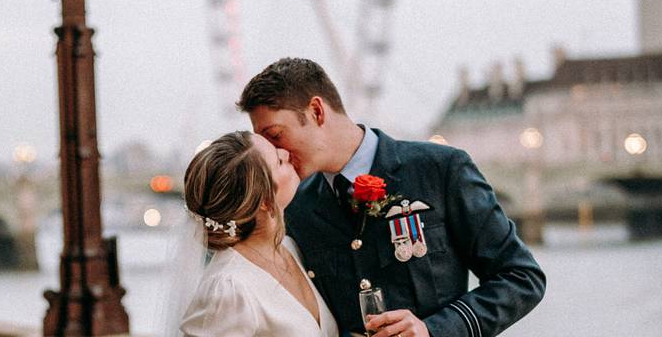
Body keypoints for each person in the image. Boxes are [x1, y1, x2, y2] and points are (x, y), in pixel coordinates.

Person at [239, 58, 546, 337]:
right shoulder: (297, 207)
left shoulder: (440, 170)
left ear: (317, 112)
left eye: (275, 135)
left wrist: (434, 330)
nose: (272, 152)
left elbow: (522, 277)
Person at [172, 130, 340, 336]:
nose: (286, 154)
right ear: (263, 201)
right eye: (278, 161)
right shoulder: (229, 288)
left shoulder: (291, 248)